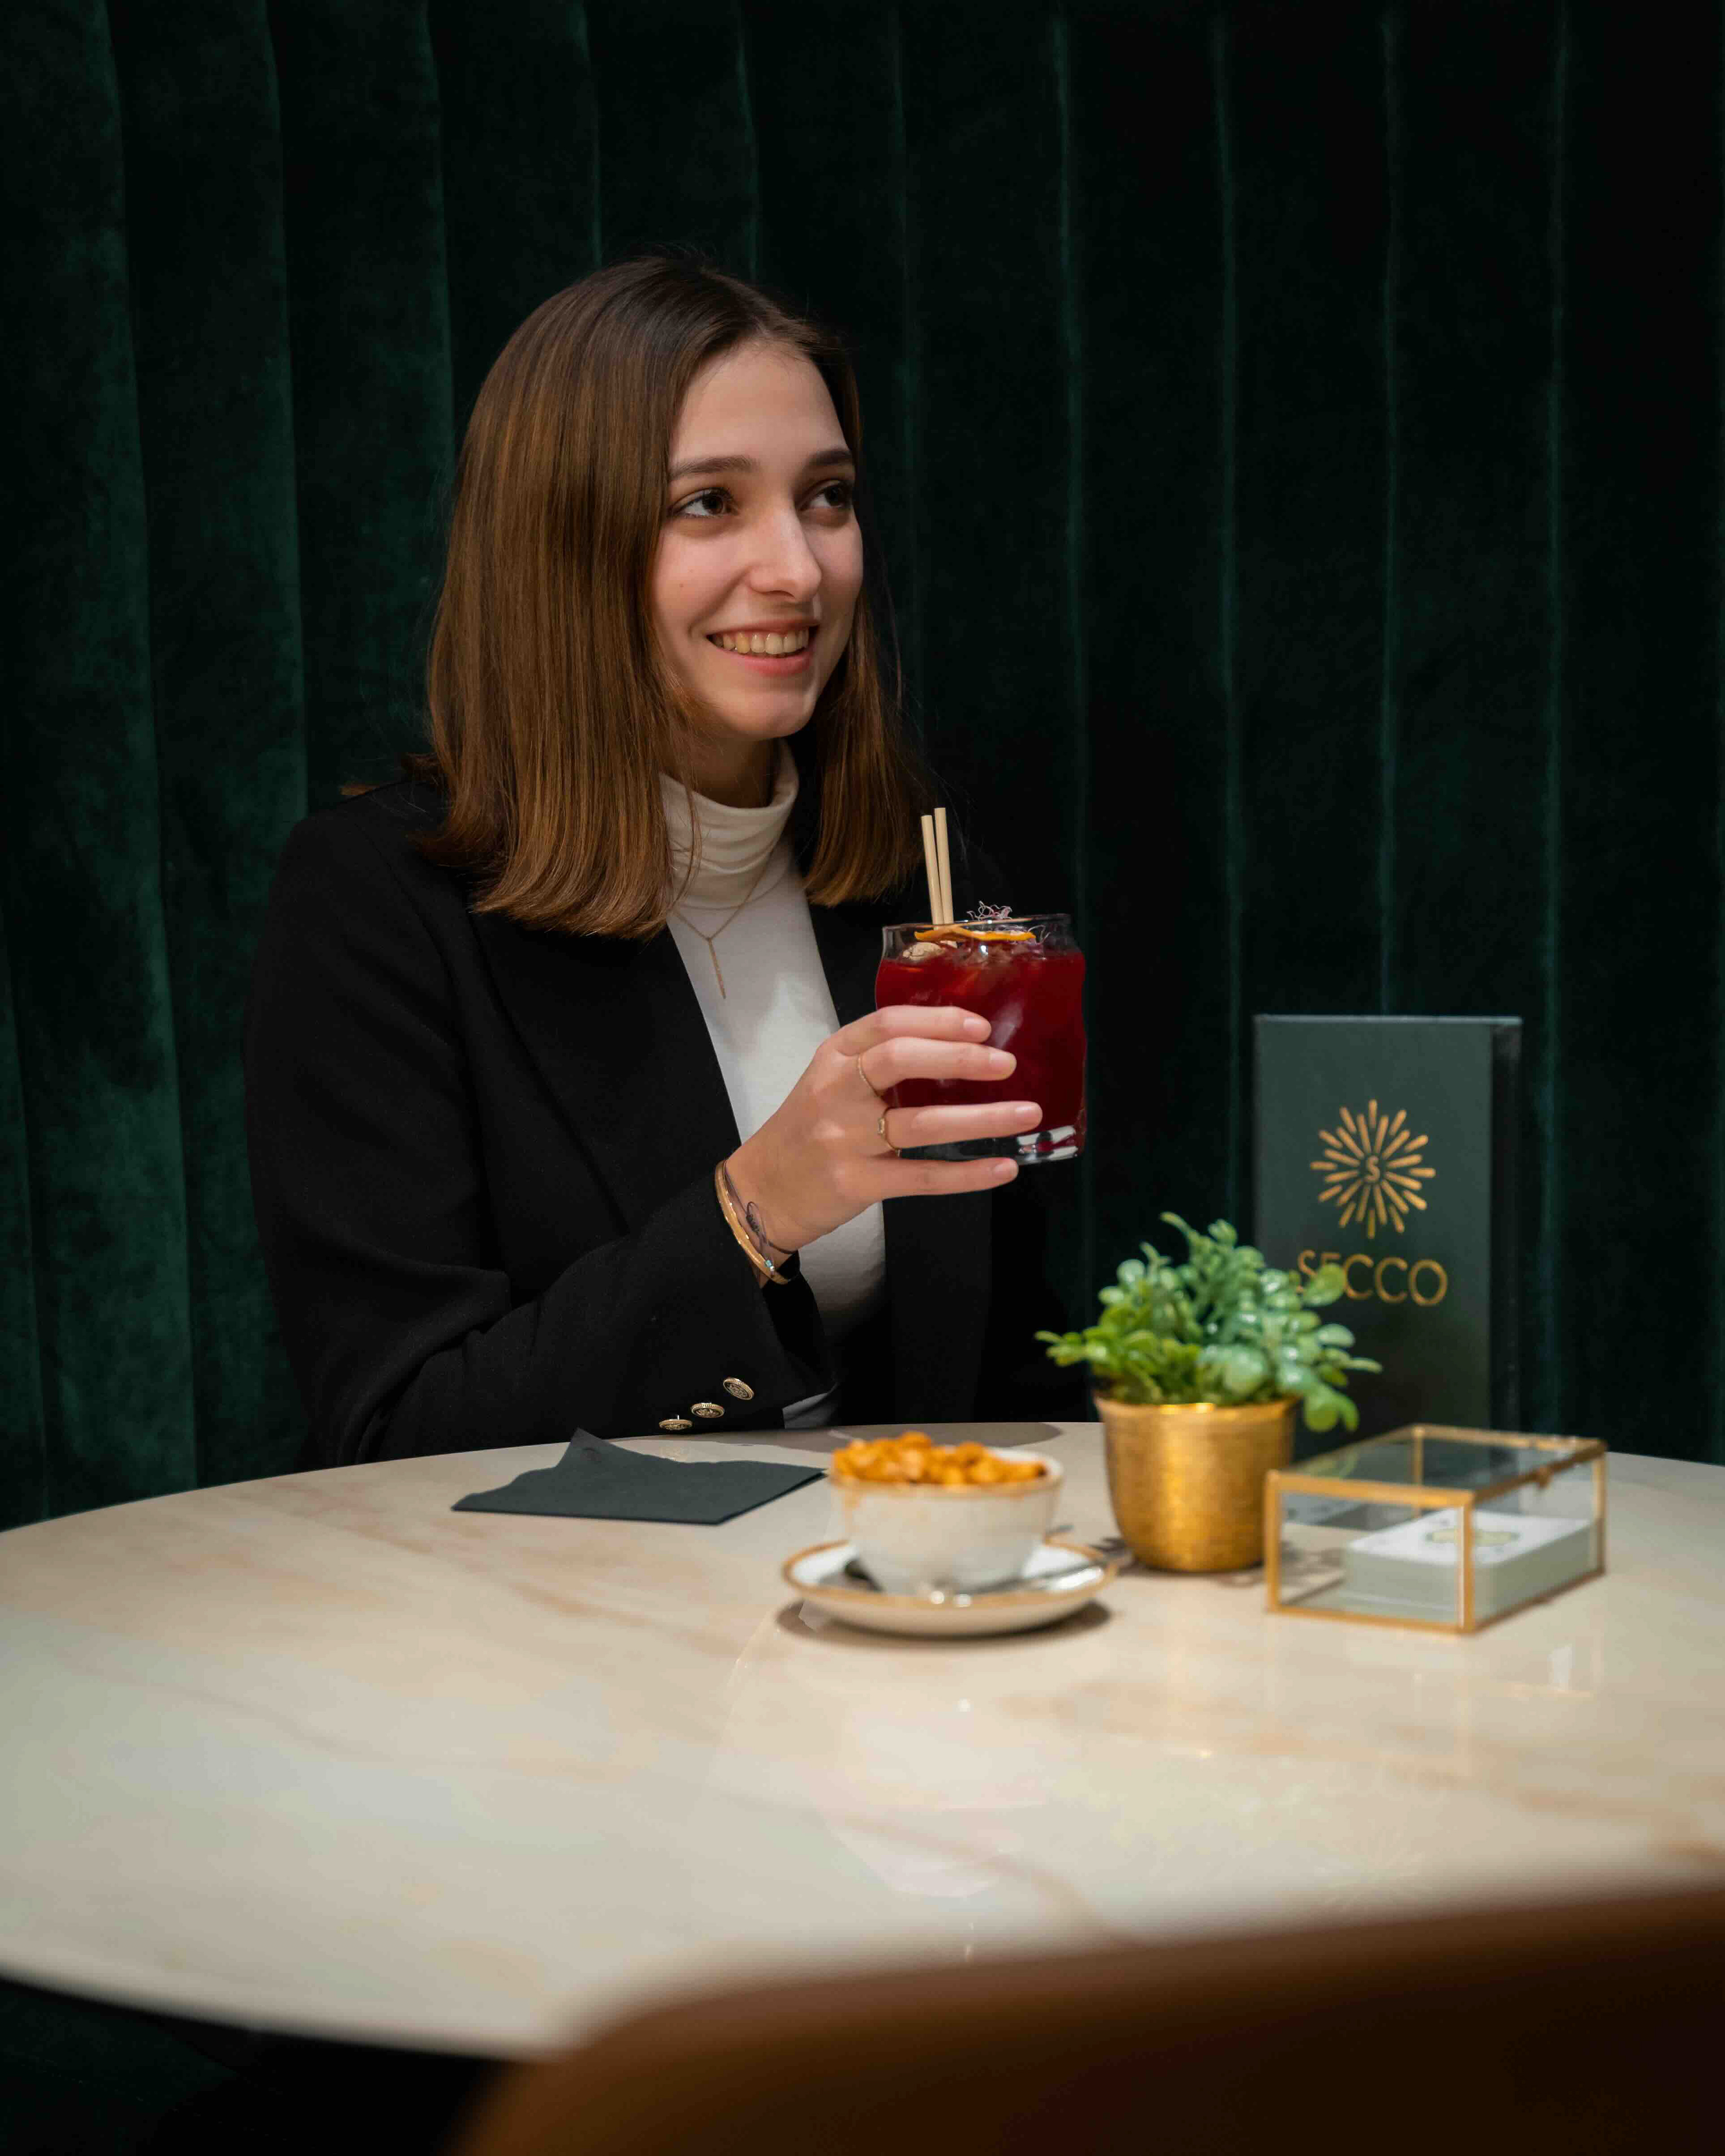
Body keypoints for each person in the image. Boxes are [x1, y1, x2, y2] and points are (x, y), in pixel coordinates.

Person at [244, 255, 1084, 1469]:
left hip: (889, 1570)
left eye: (828, 496)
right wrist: (756, 1210)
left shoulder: (920, 876)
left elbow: (1009, 1368)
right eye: (708, 504)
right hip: (552, 1588)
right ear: (561, 546)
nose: (797, 568)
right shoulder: (375, 904)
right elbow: (399, 1432)